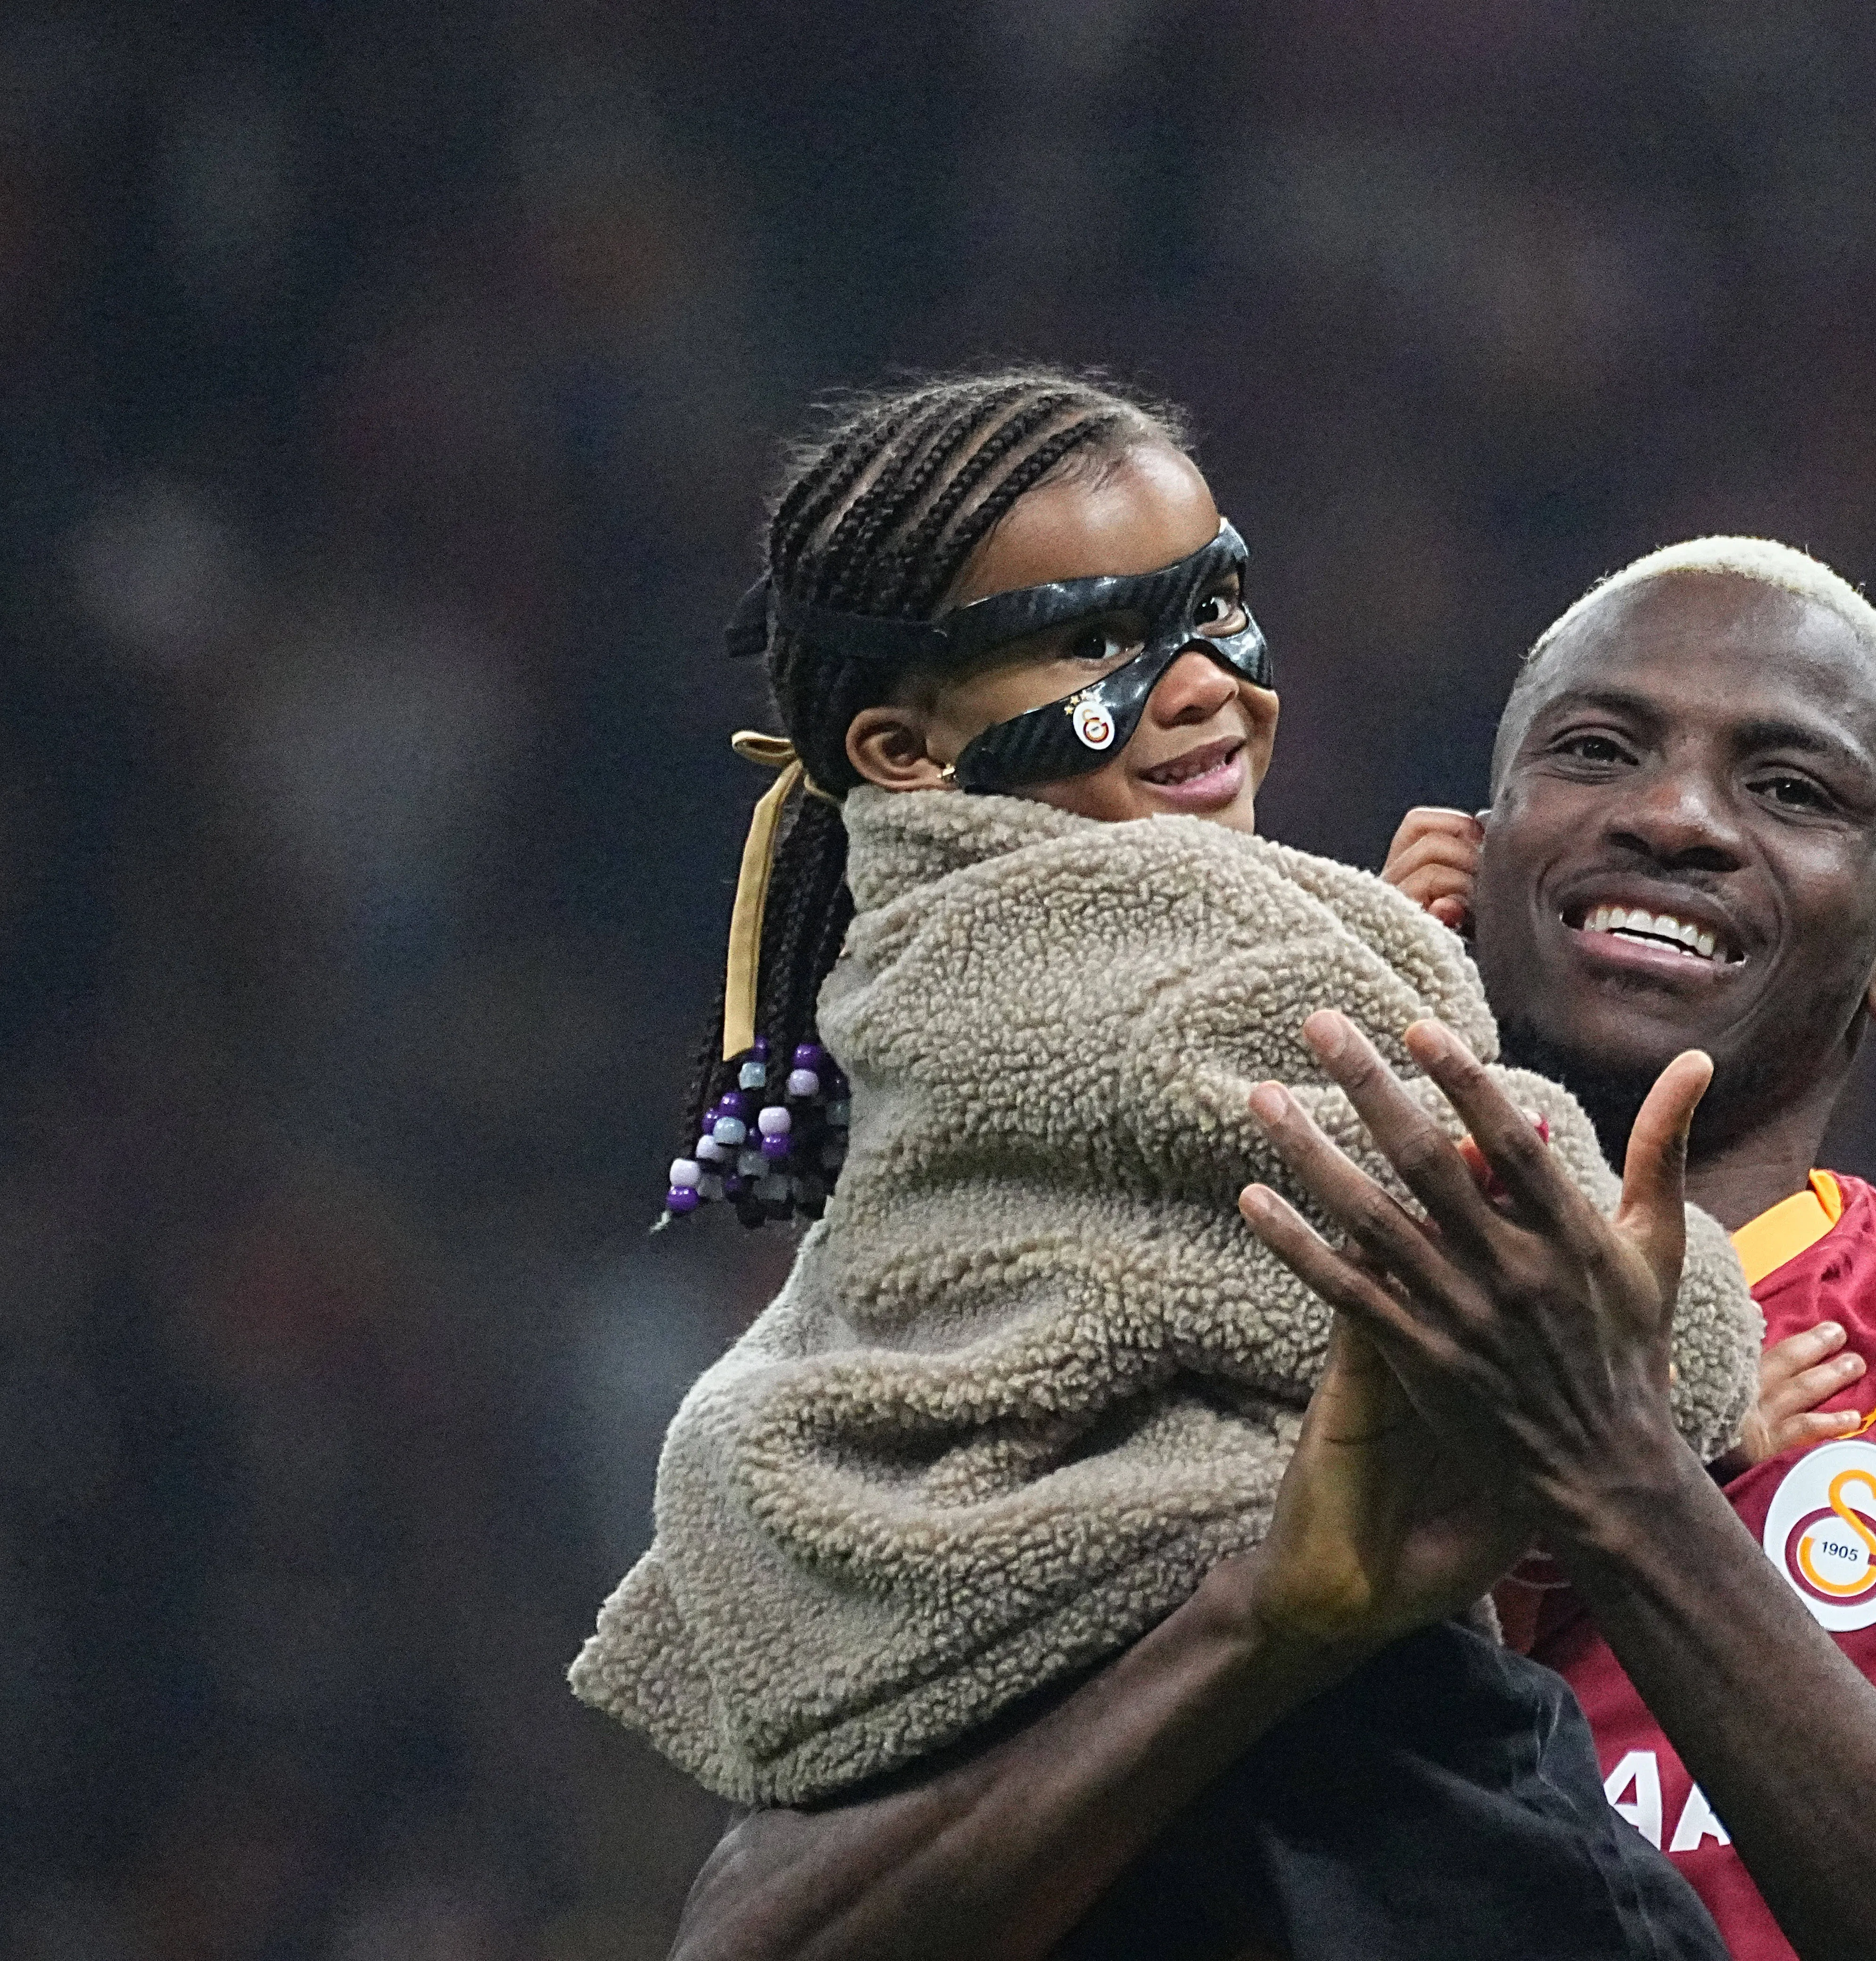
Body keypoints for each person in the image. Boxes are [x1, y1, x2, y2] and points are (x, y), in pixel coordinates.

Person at [665, 532, 1876, 1961]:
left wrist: (1615, 1477)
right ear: (1476, 850)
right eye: (1596, 753)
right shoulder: (1185, 1272)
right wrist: (1268, 1625)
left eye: (1789, 790)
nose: (1672, 818)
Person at [576, 368, 1782, 1961]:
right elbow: (1589, 1331)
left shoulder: (928, 965)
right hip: (1318, 1802)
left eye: (1214, 601)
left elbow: (1165, 1208)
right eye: (1098, 639)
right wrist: (1704, 1346)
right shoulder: (1194, 955)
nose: (1202, 679)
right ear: (909, 748)